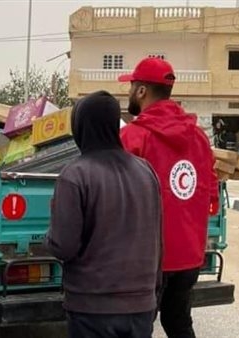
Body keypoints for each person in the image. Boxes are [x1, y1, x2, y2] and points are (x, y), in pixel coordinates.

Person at [45, 91, 162, 338]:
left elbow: (63, 246)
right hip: (141, 304)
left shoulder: (75, 175)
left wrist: (48, 239)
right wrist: (154, 293)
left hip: (92, 308)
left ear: (81, 126)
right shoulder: (146, 171)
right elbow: (157, 240)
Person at [118, 57, 219, 338]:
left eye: (131, 86)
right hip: (189, 256)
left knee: (137, 328)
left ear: (141, 91)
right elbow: (210, 195)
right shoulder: (198, 138)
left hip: (147, 258)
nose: (128, 92)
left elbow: (116, 199)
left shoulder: (133, 138)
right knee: (179, 323)